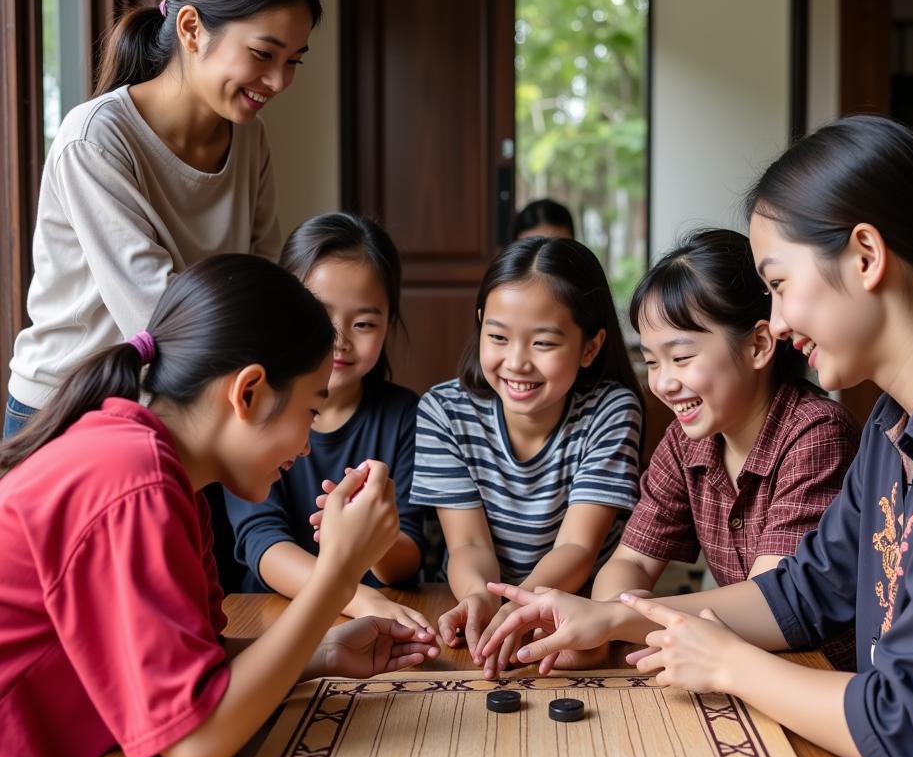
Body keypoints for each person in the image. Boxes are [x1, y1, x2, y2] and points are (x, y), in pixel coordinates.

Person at [477, 114, 913, 757]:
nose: (772, 320)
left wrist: (728, 664)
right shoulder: (896, 418)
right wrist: (615, 620)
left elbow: (910, 720)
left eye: (778, 285)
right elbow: (801, 593)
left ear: (865, 255)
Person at [0, 253, 439, 757]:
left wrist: (318, 649)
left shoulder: (162, 470)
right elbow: (195, 745)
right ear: (250, 392)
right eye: (310, 410)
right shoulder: (130, 478)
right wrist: (335, 576)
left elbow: (193, 671)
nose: (309, 444)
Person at [5, 0, 322, 437]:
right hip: (70, 411)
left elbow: (262, 277)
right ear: (192, 28)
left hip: (180, 404)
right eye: (264, 54)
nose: (279, 81)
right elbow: (156, 312)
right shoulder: (95, 139)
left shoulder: (250, 138)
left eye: (293, 62)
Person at [573, 228, 858, 670]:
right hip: (732, 669)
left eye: (681, 357)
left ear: (759, 344)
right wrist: (611, 615)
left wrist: (618, 619)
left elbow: (772, 600)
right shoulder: (686, 442)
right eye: (651, 361)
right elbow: (629, 561)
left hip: (817, 676)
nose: (664, 382)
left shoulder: (816, 432)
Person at [410, 236, 643, 679]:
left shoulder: (611, 411)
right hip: (483, 605)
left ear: (590, 347)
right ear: (480, 324)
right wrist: (478, 597)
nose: (516, 362)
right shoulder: (444, 411)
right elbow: (468, 544)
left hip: (577, 612)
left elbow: (577, 546)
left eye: (544, 343)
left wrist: (519, 607)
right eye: (498, 336)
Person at [226, 213, 431, 635]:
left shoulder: (405, 416)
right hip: (271, 618)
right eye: (320, 315)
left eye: (364, 324)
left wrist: (374, 530)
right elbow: (261, 542)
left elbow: (408, 560)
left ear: (389, 324)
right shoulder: (250, 410)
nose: (339, 338)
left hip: (385, 620)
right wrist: (353, 595)